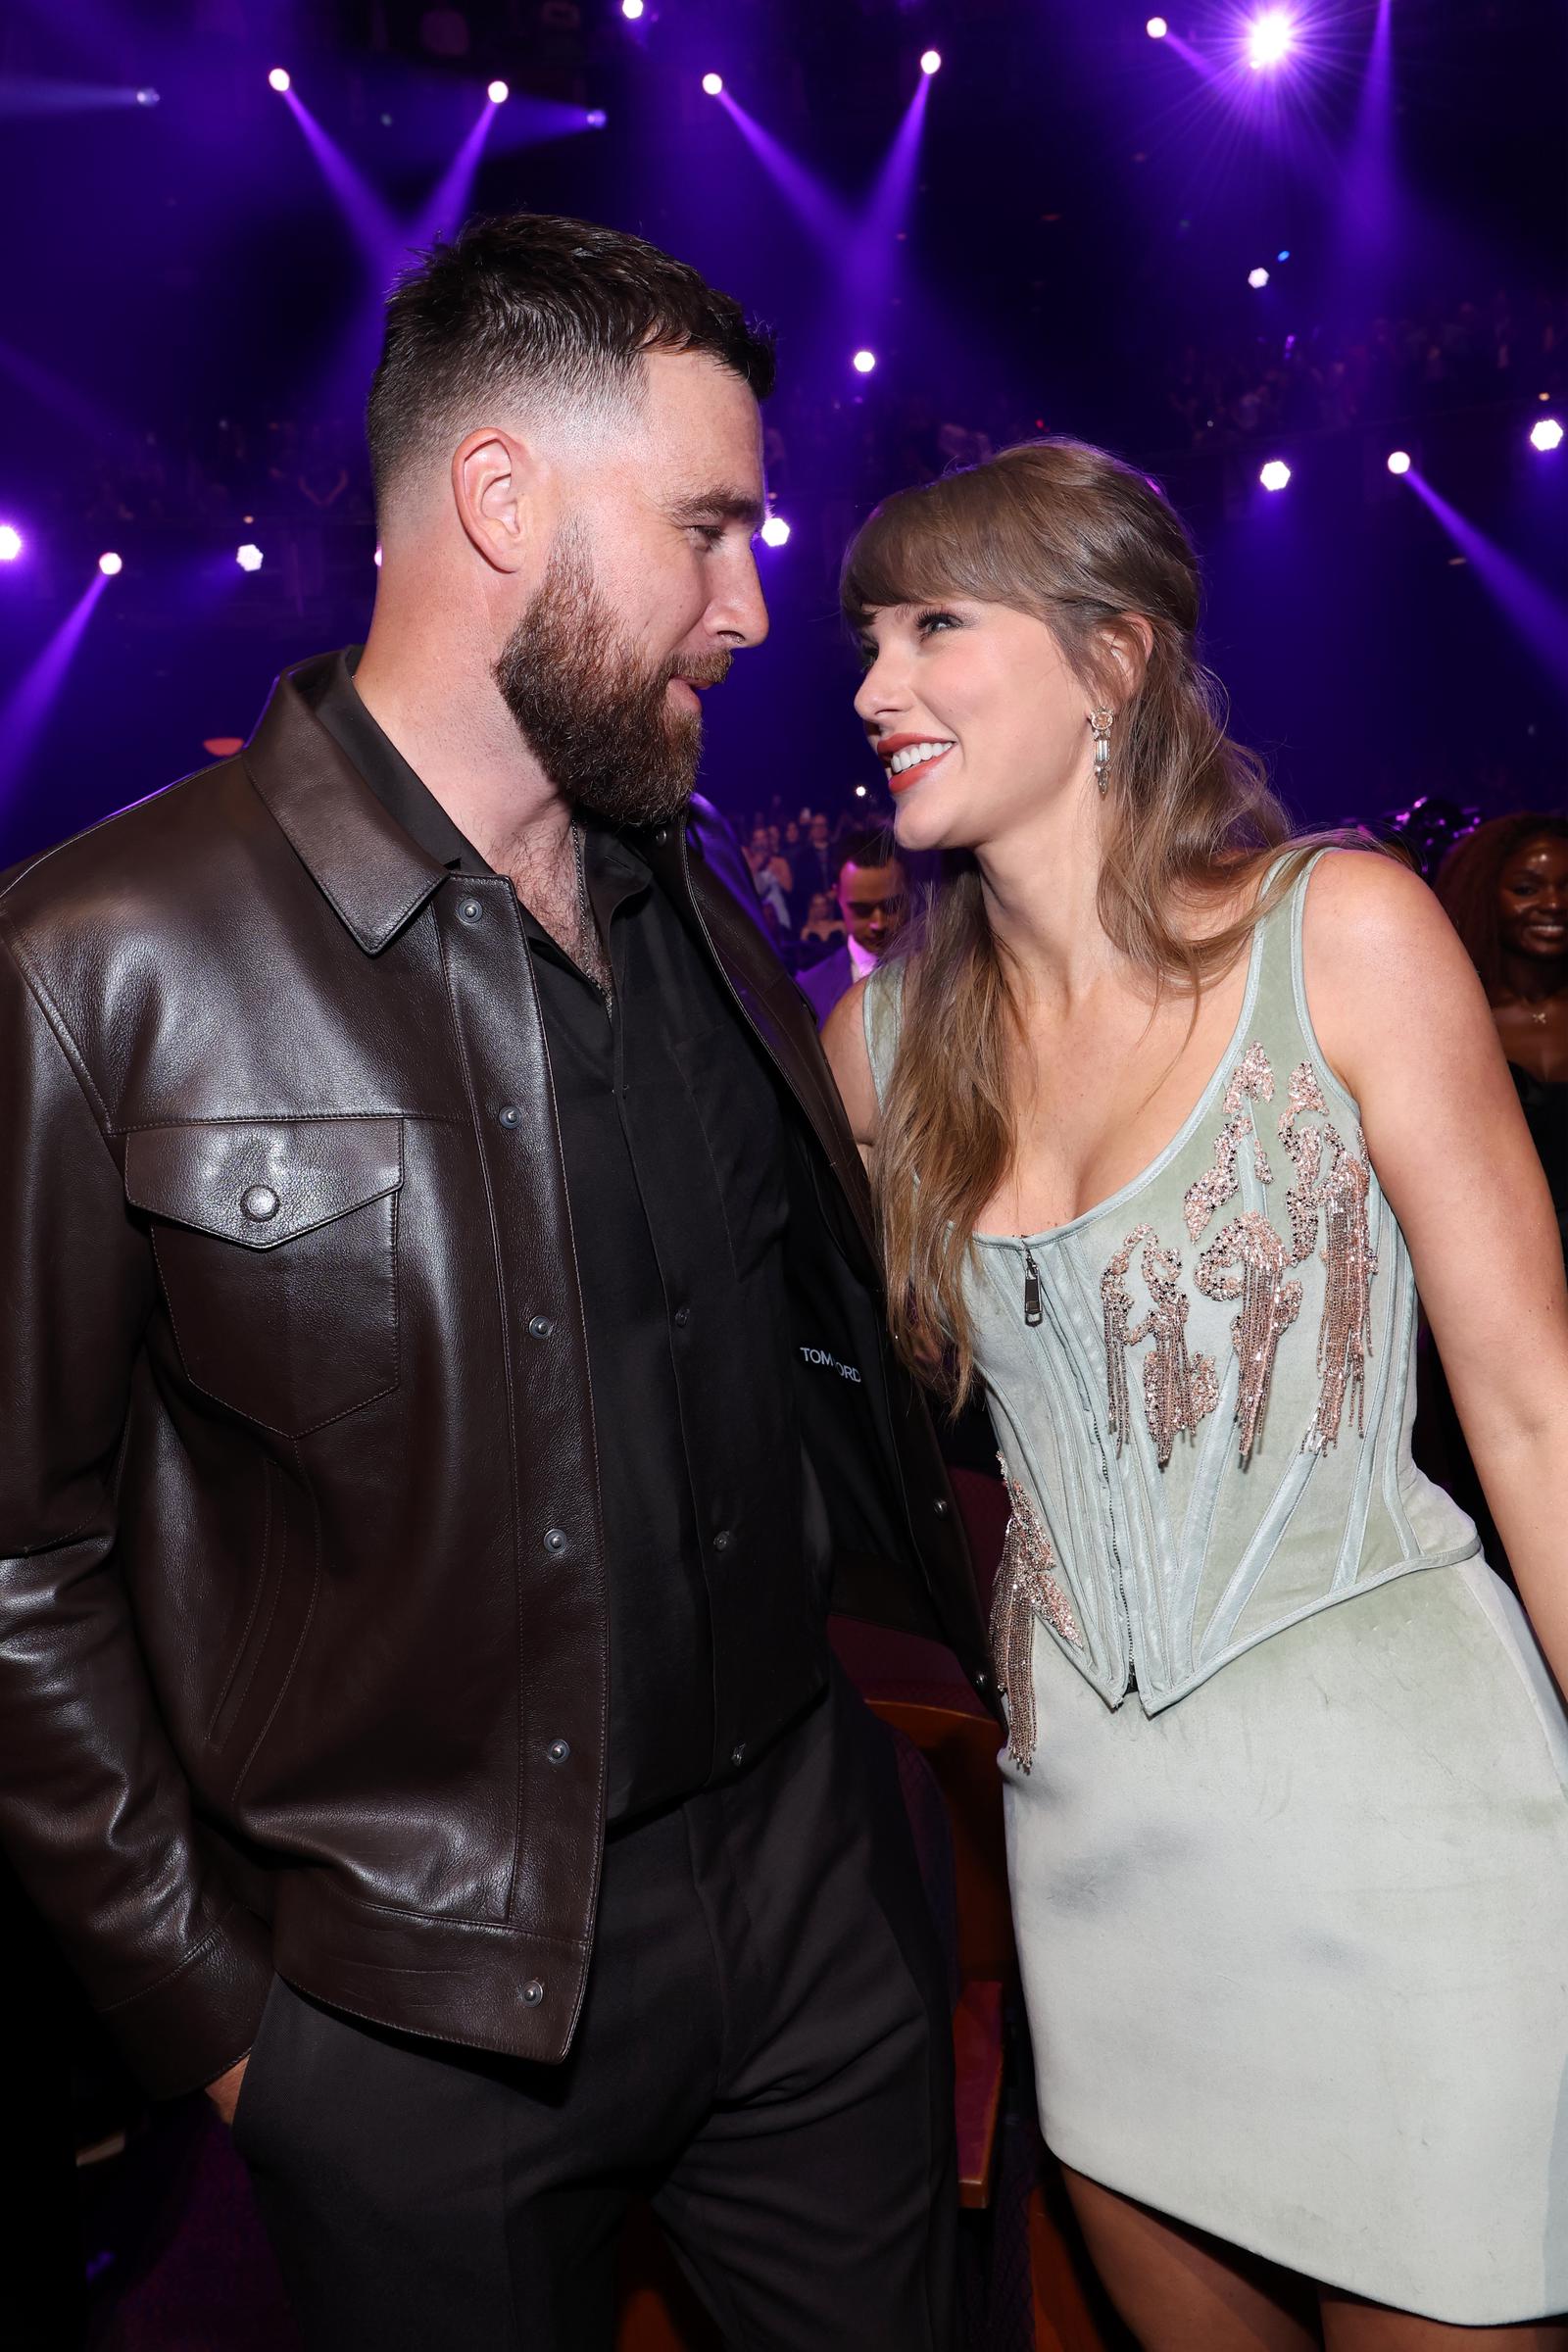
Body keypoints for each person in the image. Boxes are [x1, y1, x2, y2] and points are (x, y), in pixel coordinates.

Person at [0, 213, 994, 2352]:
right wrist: (224, 2020)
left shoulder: (689, 891)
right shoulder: (102, 964)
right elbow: (15, 1558)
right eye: (709, 526)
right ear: (499, 501)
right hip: (410, 2013)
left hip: (816, 1902)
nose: (752, 607)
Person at [824, 436, 1568, 2348]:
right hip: (1099, 1856)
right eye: (862, 640)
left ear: (1108, 662)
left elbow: (1530, 1407)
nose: (869, 688)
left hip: (1412, 1838)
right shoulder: (879, 1049)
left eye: (927, 627)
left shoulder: (1345, 935)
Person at [1436, 813, 1568, 1238]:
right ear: (1485, 895)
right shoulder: (1455, 1019)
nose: (1554, 903)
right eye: (1527, 889)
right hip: (1505, 1249)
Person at [799, 826, 907, 1026]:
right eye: (862, 910)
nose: (878, 923)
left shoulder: (938, 976)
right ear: (837, 895)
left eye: (892, 906)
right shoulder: (810, 989)